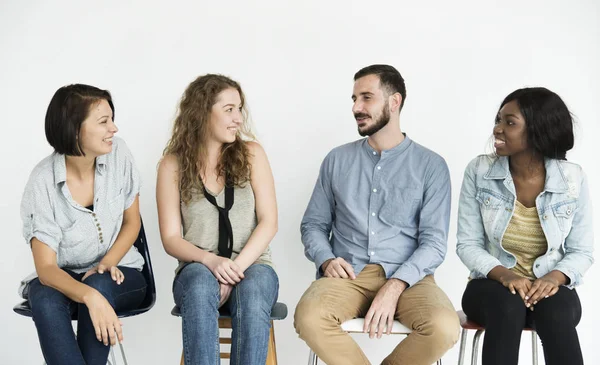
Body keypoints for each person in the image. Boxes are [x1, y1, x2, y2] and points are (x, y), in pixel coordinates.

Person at [294, 64, 459, 365]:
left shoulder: (431, 165)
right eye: (354, 99)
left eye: (366, 97)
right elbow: (314, 224)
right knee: (309, 317)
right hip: (348, 275)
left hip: (410, 277)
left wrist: (396, 285)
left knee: (444, 327)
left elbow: (434, 242)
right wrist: (327, 259)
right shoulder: (337, 159)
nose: (357, 107)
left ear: (394, 102)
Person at [456, 87, 594, 365]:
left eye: (509, 122)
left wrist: (553, 279)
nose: (497, 129)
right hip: (491, 287)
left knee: (555, 312)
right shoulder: (480, 171)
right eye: (498, 120)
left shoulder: (572, 179)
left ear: (538, 129)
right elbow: (467, 244)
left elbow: (582, 252)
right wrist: (506, 276)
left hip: (549, 287)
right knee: (507, 307)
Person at [20, 84, 147, 365]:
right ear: (74, 128)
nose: (113, 129)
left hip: (120, 273)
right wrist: (90, 295)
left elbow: (131, 222)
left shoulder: (119, 155)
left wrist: (105, 265)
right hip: (66, 277)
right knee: (43, 294)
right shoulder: (42, 181)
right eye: (103, 121)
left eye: (112, 119)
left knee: (101, 283)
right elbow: (46, 269)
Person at [157, 74, 279, 365]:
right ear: (201, 112)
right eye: (228, 110)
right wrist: (212, 262)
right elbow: (171, 239)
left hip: (253, 265)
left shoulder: (252, 154)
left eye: (239, 109)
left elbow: (268, 221)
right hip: (198, 267)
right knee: (200, 283)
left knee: (251, 289)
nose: (238, 118)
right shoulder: (172, 165)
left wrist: (233, 269)